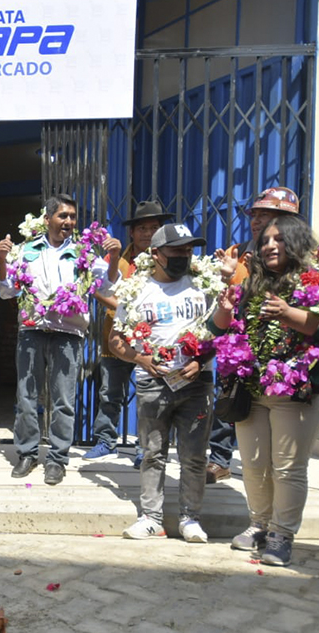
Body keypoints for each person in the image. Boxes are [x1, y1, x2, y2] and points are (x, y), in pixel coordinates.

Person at [210, 215, 319, 566]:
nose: (270, 245)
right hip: (251, 390)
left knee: (287, 467)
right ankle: (258, 524)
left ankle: (281, 534)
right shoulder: (252, 285)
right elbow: (217, 329)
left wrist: (290, 313)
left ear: (299, 243)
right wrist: (225, 311)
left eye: (279, 239)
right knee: (255, 466)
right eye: (265, 240)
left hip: (298, 392)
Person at [0, 194, 120, 485]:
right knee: (26, 396)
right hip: (31, 331)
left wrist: (113, 257)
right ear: (48, 219)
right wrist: (2, 259)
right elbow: (6, 290)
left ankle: (58, 458)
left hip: (68, 334)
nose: (68, 222)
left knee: (63, 400)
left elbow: (107, 283)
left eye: (72, 217)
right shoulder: (27, 250)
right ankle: (27, 453)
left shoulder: (84, 253)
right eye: (63, 216)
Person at [109, 224, 216, 542]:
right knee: (152, 454)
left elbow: (222, 332)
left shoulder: (203, 286)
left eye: (188, 250)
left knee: (194, 456)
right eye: (177, 250)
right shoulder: (136, 289)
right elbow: (116, 341)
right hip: (153, 385)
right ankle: (152, 518)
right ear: (155, 254)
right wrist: (140, 359)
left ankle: (190, 518)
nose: (184, 256)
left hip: (196, 383)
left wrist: (201, 361)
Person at [205, 186, 305, 485]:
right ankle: (220, 459)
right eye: (256, 215)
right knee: (228, 400)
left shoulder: (304, 258)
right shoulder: (239, 253)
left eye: (268, 215)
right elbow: (224, 300)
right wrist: (225, 275)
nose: (257, 221)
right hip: (242, 347)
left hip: (285, 351)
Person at [83, 200, 171, 462]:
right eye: (141, 228)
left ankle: (145, 448)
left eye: (153, 227)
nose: (147, 233)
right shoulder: (116, 261)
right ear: (132, 232)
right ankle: (105, 441)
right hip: (118, 336)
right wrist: (127, 310)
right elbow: (97, 289)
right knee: (110, 392)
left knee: (150, 395)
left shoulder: (168, 261)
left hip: (153, 340)